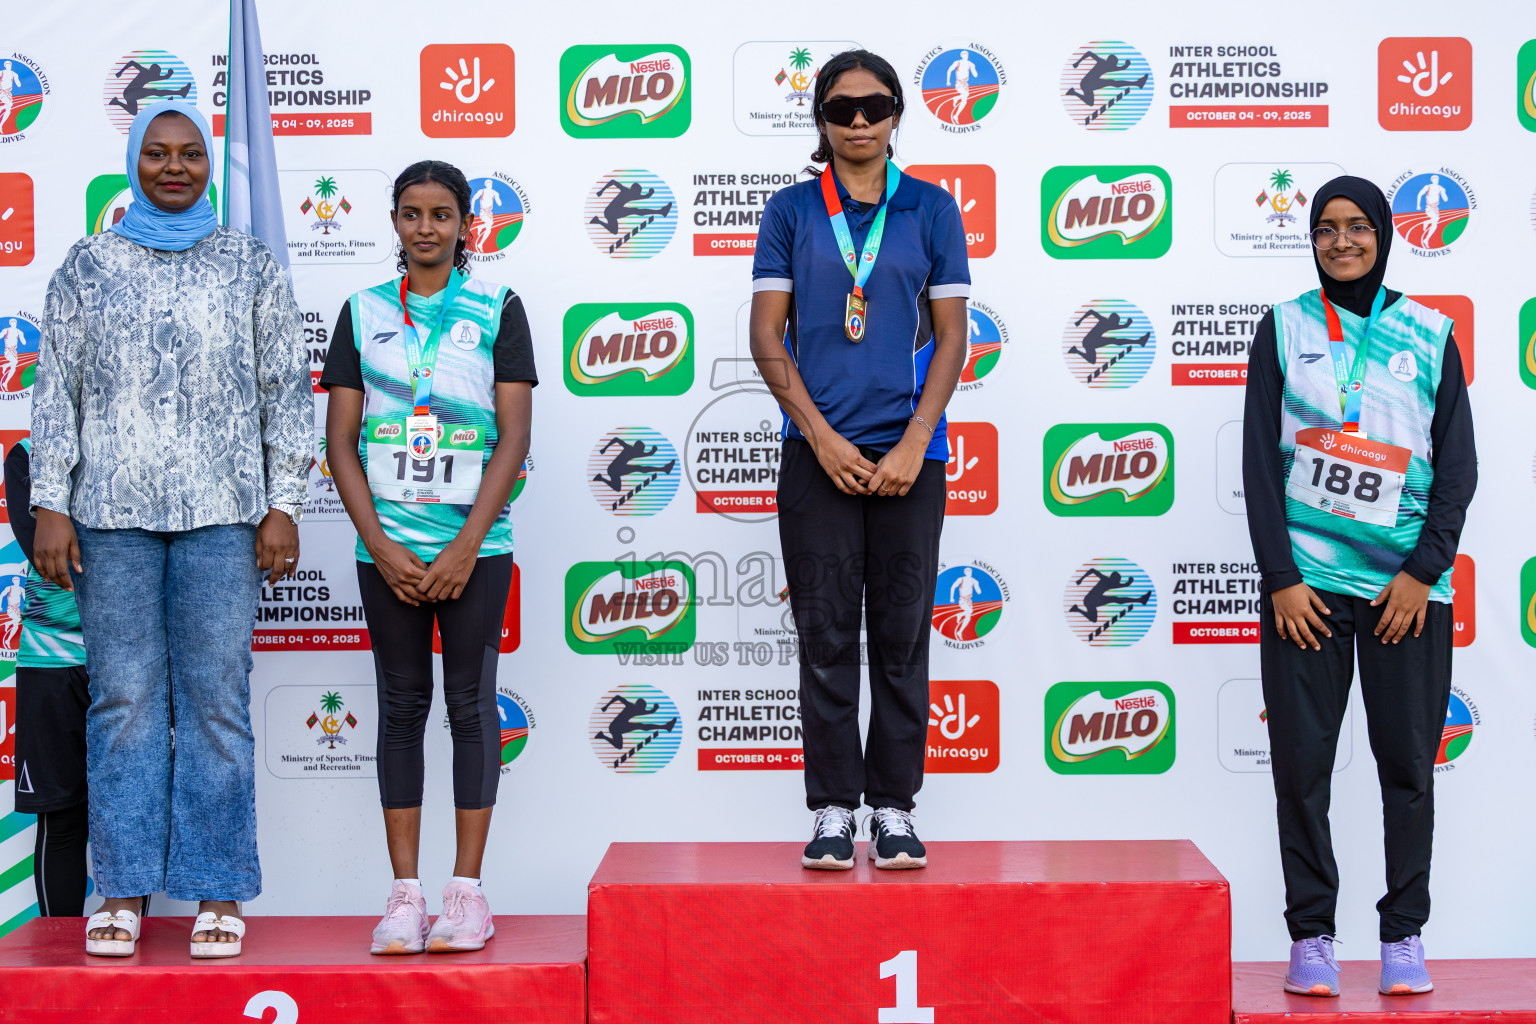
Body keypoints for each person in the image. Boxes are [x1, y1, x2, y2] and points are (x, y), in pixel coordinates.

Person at [30, 99, 311, 958]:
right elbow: (55, 394)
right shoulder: (88, 266)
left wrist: (284, 504)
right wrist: (50, 499)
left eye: (191, 154)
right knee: (123, 704)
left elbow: (286, 394)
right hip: (109, 518)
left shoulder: (248, 265)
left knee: (217, 704)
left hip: (223, 519)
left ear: (209, 164)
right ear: (133, 161)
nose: (176, 167)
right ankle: (119, 890)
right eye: (158, 154)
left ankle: (218, 891)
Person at [1242, 175, 1476, 998]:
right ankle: (1312, 936)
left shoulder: (1430, 331)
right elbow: (1259, 471)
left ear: (1384, 232)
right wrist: (1280, 579)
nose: (1341, 241)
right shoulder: (1284, 327)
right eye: (1326, 228)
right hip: (1305, 593)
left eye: (1357, 227)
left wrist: (1419, 575)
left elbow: (1458, 471)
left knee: (1408, 766)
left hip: (1405, 596)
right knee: (1300, 767)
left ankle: (1403, 936)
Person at [750, 49, 969, 871]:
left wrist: (915, 439)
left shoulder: (930, 211)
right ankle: (835, 808)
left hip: (912, 455)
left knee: (904, 636)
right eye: (840, 110)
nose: (857, 123)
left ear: (896, 114)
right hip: (817, 457)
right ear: (821, 121)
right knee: (828, 636)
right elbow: (766, 335)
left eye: (873, 107)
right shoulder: (792, 210)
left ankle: (894, 809)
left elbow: (952, 339)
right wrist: (820, 437)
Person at [321, 160, 535, 955]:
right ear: (394, 221)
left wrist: (466, 545)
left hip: (475, 547)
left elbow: (513, 437)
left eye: (441, 214)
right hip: (389, 552)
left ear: (465, 224)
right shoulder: (363, 310)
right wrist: (378, 542)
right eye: (411, 213)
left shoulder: (498, 308)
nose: (425, 228)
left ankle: (467, 895)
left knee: (472, 707)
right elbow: (340, 439)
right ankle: (405, 898)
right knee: (402, 708)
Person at [5, 439, 90, 918]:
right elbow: (49, 555)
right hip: (50, 665)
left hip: (132, 662)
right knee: (61, 821)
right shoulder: (26, 454)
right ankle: (61, 966)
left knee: (129, 814)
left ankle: (126, 961)